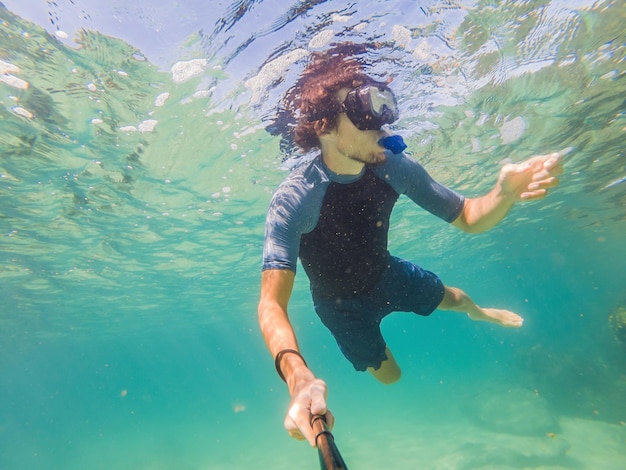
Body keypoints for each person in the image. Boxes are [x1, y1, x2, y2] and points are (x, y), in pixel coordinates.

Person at [257, 47, 563, 447]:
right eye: (364, 113)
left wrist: (502, 194)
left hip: (387, 273)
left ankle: (479, 312)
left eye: (382, 108)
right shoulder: (296, 199)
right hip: (339, 306)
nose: (381, 125)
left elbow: (470, 216)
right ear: (325, 127)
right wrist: (298, 378)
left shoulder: (392, 166)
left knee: (456, 298)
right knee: (391, 376)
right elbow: (270, 304)